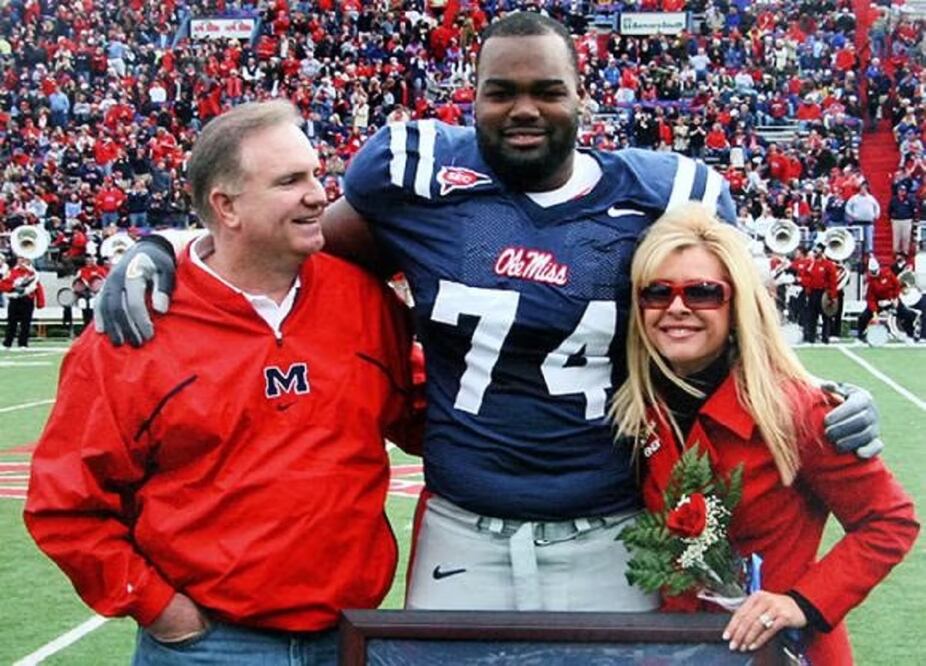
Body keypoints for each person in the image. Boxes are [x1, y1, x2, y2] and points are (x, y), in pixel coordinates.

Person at [96, 12, 882, 613]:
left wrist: (825, 400)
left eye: (547, 90)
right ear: (470, 98)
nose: (524, 109)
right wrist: (169, 244)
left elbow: (726, 318)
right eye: (500, 91)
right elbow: (294, 251)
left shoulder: (665, 193)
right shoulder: (416, 175)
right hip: (461, 527)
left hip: (609, 529)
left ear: (583, 98)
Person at [25, 101, 422, 665]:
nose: (318, 194)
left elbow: (430, 412)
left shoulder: (362, 300)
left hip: (351, 636)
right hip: (212, 644)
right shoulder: (137, 328)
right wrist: (162, 608)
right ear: (226, 207)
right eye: (290, 181)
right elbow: (64, 504)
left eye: (315, 173)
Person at [610, 204, 918, 663]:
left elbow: (890, 521)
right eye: (657, 292)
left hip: (782, 652)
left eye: (702, 292)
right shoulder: (637, 404)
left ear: (738, 304)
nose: (676, 307)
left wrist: (801, 602)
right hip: (682, 648)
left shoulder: (794, 409)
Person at [857, 257, 919, 343]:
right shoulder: (870, 280)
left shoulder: (888, 273)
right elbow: (870, 298)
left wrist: (895, 298)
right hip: (878, 303)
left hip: (891, 300)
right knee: (863, 317)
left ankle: (910, 336)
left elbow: (897, 286)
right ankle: (860, 337)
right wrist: (875, 314)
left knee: (906, 314)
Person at [1, 255, 45, 348]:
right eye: (20, 259)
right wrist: (13, 287)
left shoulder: (33, 274)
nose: (22, 261)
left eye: (25, 259)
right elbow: (3, 285)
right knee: (11, 322)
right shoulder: (11, 272)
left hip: (28, 300)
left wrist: (40, 302)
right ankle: (7, 342)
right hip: (14, 299)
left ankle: (23, 343)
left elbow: (38, 288)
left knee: (26, 323)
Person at [801, 243, 839, 344]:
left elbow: (833, 281)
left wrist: (832, 295)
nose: (814, 253)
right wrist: (807, 290)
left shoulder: (828, 265)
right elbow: (804, 277)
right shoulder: (810, 264)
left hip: (824, 293)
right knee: (812, 316)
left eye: (817, 251)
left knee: (826, 316)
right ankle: (811, 337)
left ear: (822, 252)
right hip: (813, 293)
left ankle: (825, 337)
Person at [845, 181, 880, 253]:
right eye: (862, 188)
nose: (863, 190)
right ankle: (857, 256)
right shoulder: (854, 198)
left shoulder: (871, 198)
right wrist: (852, 215)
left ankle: (869, 257)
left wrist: (876, 214)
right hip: (857, 223)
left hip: (868, 223)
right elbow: (847, 207)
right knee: (858, 242)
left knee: (869, 242)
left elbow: (877, 207)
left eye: (865, 188)